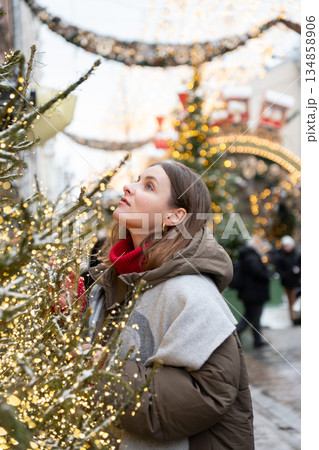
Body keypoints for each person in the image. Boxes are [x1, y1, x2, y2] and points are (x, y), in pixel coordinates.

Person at [84, 160, 254, 449]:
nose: (129, 187)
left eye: (148, 186)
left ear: (174, 216)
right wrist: (63, 315)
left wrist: (101, 370)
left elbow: (202, 396)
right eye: (137, 180)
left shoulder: (191, 292)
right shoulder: (115, 282)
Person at [236, 237, 271, 348]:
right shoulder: (252, 257)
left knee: (249, 316)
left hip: (249, 293)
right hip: (254, 293)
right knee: (255, 317)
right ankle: (256, 340)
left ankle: (238, 334)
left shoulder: (247, 256)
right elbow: (258, 272)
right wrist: (267, 274)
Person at [273, 235, 301, 323]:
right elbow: (279, 268)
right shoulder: (281, 256)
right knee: (290, 299)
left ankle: (295, 316)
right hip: (286, 281)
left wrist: (297, 270)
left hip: (295, 281)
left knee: (294, 298)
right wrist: (285, 275)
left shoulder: (296, 255)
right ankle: (293, 317)